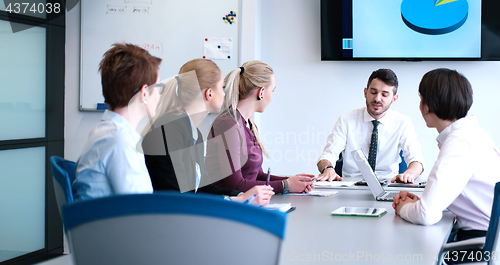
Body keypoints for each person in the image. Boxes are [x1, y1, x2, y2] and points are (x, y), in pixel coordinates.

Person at [393, 69, 500, 263]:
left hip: (479, 245)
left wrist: (402, 208)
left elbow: (426, 215)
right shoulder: (472, 134)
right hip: (484, 239)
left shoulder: (460, 143)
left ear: (427, 105)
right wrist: (418, 203)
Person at [142, 59, 274, 206]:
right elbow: (176, 196)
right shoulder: (170, 130)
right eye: (222, 88)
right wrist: (236, 200)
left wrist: (243, 196)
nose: (225, 94)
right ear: (209, 93)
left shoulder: (194, 134)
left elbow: (204, 188)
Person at [205, 60, 314, 194]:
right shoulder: (228, 124)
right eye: (272, 91)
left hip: (247, 202)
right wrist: (285, 185)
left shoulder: (249, 124)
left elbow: (256, 175)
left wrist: (292, 181)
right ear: (261, 92)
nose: (272, 96)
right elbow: (235, 185)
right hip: (228, 205)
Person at [73, 43, 162, 201]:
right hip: (114, 224)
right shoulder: (119, 140)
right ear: (143, 93)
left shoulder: (111, 130)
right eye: (157, 89)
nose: (159, 96)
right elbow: (139, 210)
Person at [316, 69, 424, 183]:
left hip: (388, 183)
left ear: (394, 99)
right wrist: (327, 169)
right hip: (351, 185)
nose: (377, 98)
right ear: (365, 92)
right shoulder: (346, 120)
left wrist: (410, 173)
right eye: (373, 92)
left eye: (384, 95)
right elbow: (327, 156)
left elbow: (416, 159)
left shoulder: (403, 123)